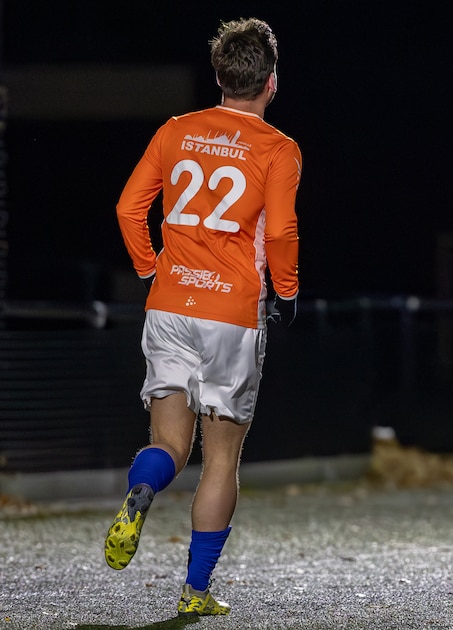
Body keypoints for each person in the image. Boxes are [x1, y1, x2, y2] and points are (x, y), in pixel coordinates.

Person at [108, 17, 301, 617]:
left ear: (219, 76)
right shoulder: (278, 149)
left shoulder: (175, 131)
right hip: (231, 313)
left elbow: (127, 209)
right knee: (220, 460)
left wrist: (149, 269)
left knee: (168, 441)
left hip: (169, 304)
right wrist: (288, 292)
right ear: (271, 82)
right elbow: (283, 231)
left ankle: (141, 490)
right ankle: (194, 593)